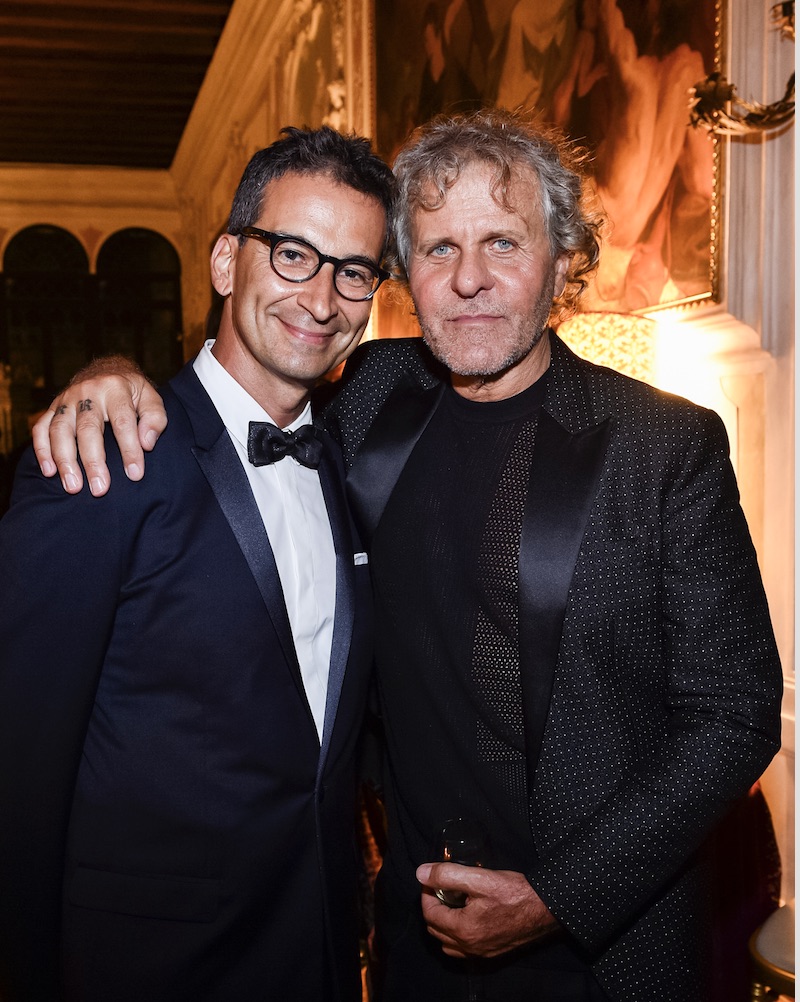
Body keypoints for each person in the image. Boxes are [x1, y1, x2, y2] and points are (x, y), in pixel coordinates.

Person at [31, 108, 782, 1002]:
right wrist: (106, 374)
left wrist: (558, 898)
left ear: (562, 264)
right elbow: (236, 389)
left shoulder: (662, 444)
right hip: (412, 944)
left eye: (502, 243)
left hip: (601, 954)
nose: (469, 278)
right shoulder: (370, 397)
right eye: (437, 249)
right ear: (405, 278)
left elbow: (735, 713)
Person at [0, 125, 395, 1001]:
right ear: (224, 262)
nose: (321, 298)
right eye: (293, 254)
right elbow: (19, 764)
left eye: (354, 272)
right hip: (149, 967)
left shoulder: (351, 462)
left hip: (321, 957)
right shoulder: (104, 455)